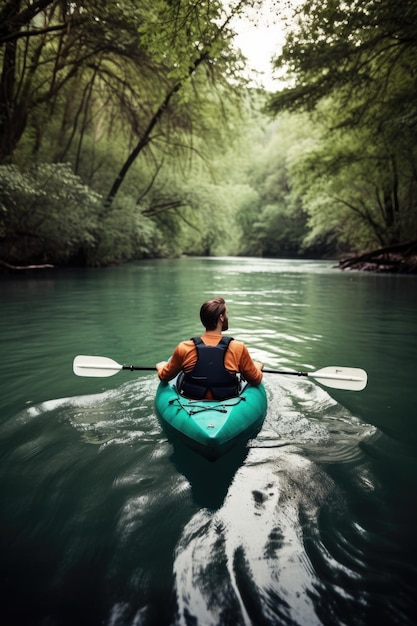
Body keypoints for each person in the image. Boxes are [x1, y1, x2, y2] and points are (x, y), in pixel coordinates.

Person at [156, 297, 263, 400]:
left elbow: (164, 376)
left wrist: (161, 367)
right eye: (227, 313)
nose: (227, 317)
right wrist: (257, 367)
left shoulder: (184, 348)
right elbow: (255, 380)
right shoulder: (238, 348)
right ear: (221, 317)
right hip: (227, 403)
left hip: (191, 404)